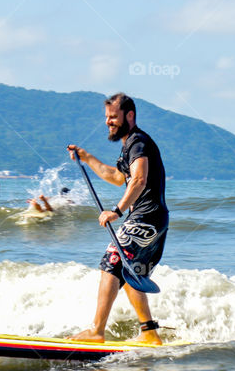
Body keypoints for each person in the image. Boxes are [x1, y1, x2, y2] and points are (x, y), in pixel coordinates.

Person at [67, 92, 168, 345]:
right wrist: (88, 158)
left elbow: (139, 179)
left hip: (145, 216)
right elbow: (116, 177)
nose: (108, 122)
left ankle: (96, 331)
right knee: (131, 270)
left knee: (111, 261)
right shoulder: (130, 145)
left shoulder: (138, 143)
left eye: (113, 117)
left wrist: (117, 211)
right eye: (106, 117)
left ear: (129, 115)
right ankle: (149, 332)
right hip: (154, 218)